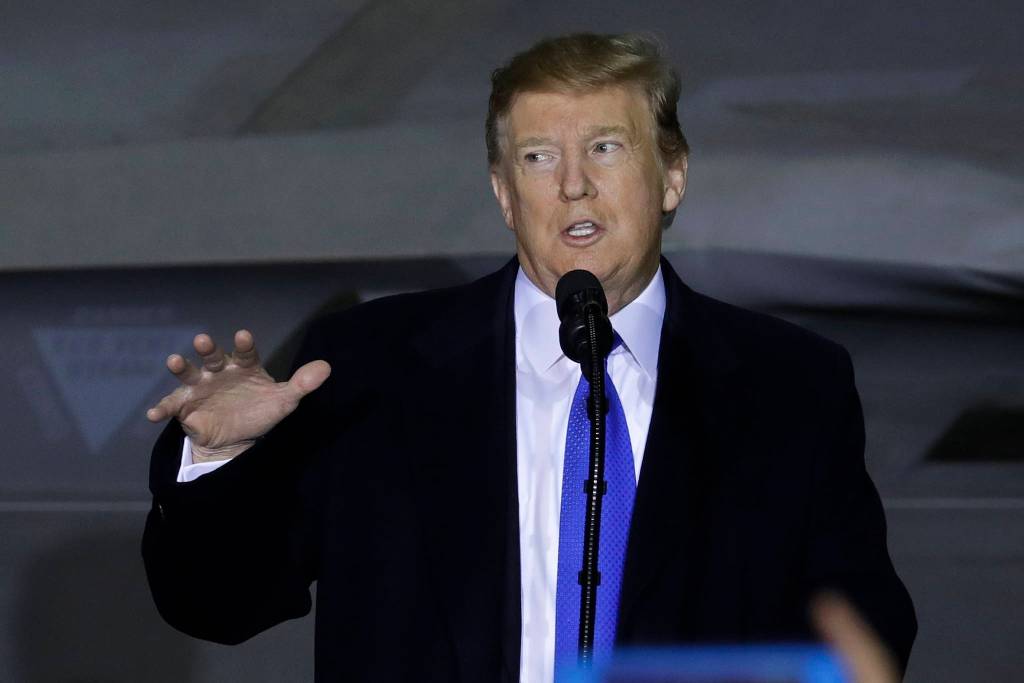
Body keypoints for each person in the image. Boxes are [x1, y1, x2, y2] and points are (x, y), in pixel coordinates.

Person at [143, 33, 916, 682]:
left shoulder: (789, 384)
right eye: (540, 157)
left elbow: (860, 632)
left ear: (672, 175)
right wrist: (221, 463)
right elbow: (221, 604)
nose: (574, 185)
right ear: (504, 193)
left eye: (605, 148)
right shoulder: (371, 366)